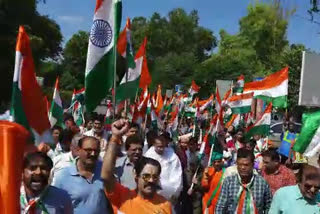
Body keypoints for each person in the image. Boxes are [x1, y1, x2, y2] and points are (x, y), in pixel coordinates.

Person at [101, 119, 172, 214]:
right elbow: (106, 176)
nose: (151, 180)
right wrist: (115, 137)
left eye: (155, 177)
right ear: (136, 176)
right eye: (146, 176)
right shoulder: (124, 197)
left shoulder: (164, 205)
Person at [52, 136, 112, 214]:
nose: (93, 154)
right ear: (78, 150)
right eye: (88, 150)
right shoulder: (63, 176)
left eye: (96, 151)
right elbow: (56, 207)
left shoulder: (105, 171)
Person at [215, 148, 272, 213]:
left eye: (246, 165)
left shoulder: (262, 183)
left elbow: (269, 206)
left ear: (253, 165)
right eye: (240, 164)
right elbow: (220, 207)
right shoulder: (229, 182)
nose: (242, 167)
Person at [145, 135, 183, 202]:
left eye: (162, 147)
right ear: (154, 145)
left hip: (168, 195)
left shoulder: (172, 156)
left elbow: (177, 174)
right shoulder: (148, 155)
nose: (161, 149)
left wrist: (174, 192)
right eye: (158, 147)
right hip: (152, 193)